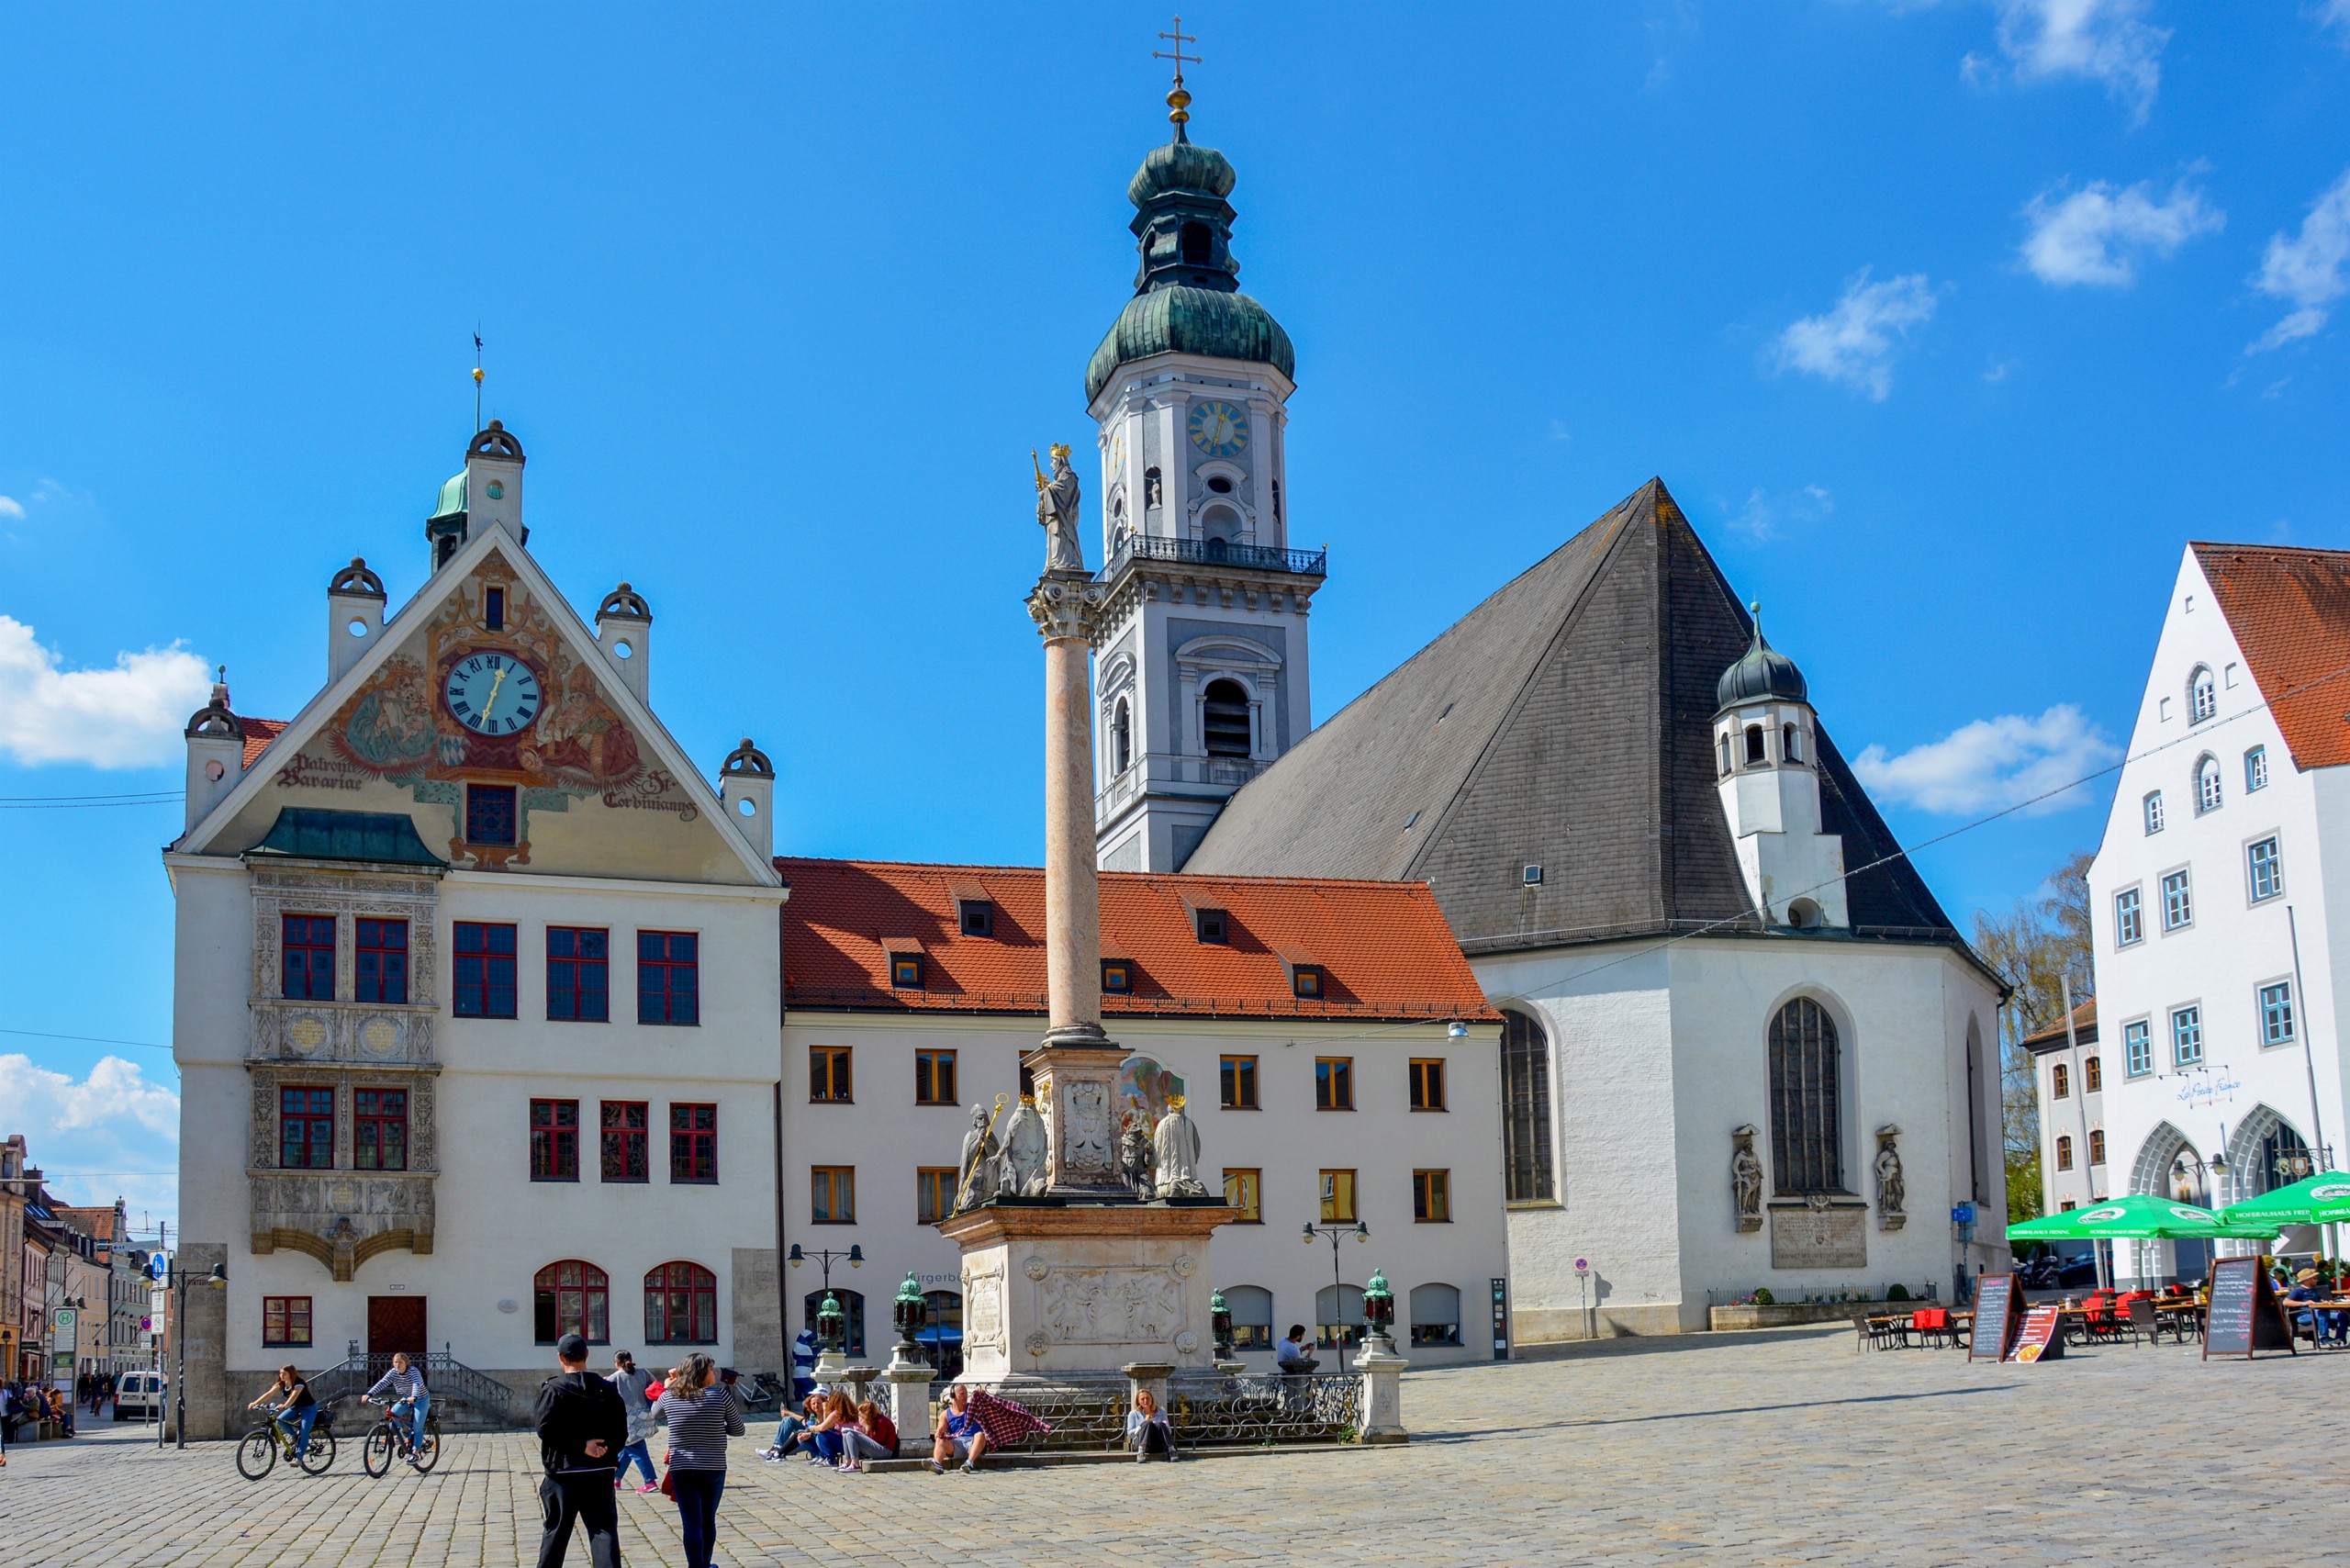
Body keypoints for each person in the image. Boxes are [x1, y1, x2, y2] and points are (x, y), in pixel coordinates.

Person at [533, 1332, 627, 1568]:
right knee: (603, 1530)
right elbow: (621, 1430)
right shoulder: (607, 1389)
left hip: (564, 1472)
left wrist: (579, 1447)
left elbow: (545, 1429)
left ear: (560, 1358)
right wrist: (605, 1451)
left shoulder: (553, 1389)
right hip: (599, 1469)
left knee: (557, 1531)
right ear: (587, 1354)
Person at [653, 1352, 743, 1568]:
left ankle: (695, 1566)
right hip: (713, 1465)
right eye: (712, 1369)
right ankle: (705, 1562)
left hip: (682, 1465)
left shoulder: (670, 1396)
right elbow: (738, 1429)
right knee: (707, 1519)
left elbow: (654, 1413)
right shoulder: (720, 1396)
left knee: (691, 1522)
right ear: (703, 1373)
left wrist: (669, 1386)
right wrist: (717, 1428)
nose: (715, 1373)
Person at [608, 1352, 660, 1494]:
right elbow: (655, 1387)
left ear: (617, 1362)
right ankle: (615, 1479)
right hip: (644, 1415)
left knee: (638, 1450)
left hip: (626, 1419)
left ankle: (650, 1481)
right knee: (626, 1449)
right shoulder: (644, 1372)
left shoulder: (615, 1377)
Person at [363, 1350, 431, 1459]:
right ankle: (405, 1429)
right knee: (392, 1413)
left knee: (417, 1425)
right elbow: (383, 1382)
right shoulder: (393, 1372)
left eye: (400, 1362)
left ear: (406, 1363)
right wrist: (369, 1394)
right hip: (406, 1398)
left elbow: (416, 1384)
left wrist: (414, 1397)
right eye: (395, 1362)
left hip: (420, 1399)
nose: (397, 1365)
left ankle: (415, 1452)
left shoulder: (413, 1371)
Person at [248, 1364, 318, 1461]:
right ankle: (294, 1436)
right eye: (280, 1373)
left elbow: (294, 1395)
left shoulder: (299, 1383)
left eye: (284, 1374)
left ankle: (299, 1458)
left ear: (291, 1374)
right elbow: (269, 1393)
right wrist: (255, 1403)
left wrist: (285, 1405)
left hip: (308, 1408)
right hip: (295, 1407)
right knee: (280, 1420)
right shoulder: (282, 1383)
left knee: (304, 1431)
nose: (281, 1376)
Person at [928, 1383, 990, 1474]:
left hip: (973, 1443)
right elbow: (939, 1432)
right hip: (956, 1444)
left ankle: (969, 1463)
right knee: (941, 1439)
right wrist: (939, 1433)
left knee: (980, 1434)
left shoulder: (974, 1408)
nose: (965, 1396)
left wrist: (984, 1396)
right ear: (953, 1395)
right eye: (962, 1394)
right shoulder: (945, 1414)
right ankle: (937, 1464)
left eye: (966, 1393)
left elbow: (987, 1407)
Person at [759, 1392, 823, 1462]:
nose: (816, 1405)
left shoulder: (826, 1413)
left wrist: (789, 1413)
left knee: (797, 1431)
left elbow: (820, 1428)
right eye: (813, 1403)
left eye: (818, 1403)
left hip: (821, 1437)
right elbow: (807, 1423)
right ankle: (777, 1448)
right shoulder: (813, 1415)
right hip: (813, 1433)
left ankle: (778, 1452)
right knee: (789, 1421)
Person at [837, 1399, 897, 1473]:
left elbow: (878, 1440)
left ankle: (855, 1463)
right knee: (847, 1434)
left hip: (885, 1452)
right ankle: (848, 1462)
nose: (859, 1417)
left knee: (851, 1434)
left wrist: (865, 1429)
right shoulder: (874, 1421)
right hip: (879, 1450)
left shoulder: (881, 1421)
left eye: (860, 1415)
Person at [806, 1390, 856, 1467]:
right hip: (855, 1443)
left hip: (845, 1444)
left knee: (822, 1434)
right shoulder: (853, 1411)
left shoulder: (836, 1414)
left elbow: (822, 1427)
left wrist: (812, 1428)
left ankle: (830, 1459)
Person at [1125, 1388, 1175, 1462]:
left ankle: (1172, 1451)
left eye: (1147, 1398)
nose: (1145, 1401)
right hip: (1142, 1444)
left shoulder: (1162, 1412)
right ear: (1138, 1401)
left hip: (1159, 1443)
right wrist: (1141, 1427)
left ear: (1152, 1399)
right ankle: (1141, 1453)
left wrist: (1161, 1425)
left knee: (1159, 1424)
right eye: (1142, 1399)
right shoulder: (1133, 1414)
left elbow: (1169, 1432)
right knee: (1147, 1423)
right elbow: (1130, 1434)